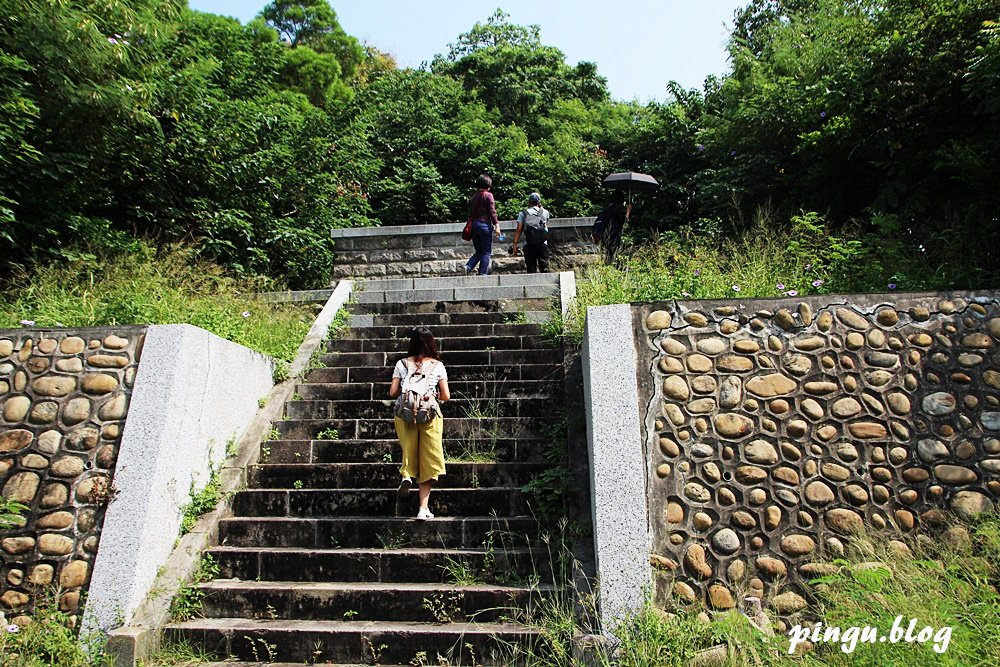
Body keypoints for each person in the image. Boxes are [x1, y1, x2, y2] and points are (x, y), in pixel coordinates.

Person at [388, 327, 451, 520]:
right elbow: (446, 396)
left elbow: (392, 392)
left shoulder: (401, 363)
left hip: (405, 414)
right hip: (429, 414)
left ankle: (406, 475)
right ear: (431, 343)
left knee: (409, 449)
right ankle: (423, 508)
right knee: (428, 458)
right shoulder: (437, 365)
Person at [464, 173, 502, 275]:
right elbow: (492, 211)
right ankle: (482, 273)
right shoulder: (488, 195)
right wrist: (497, 225)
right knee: (486, 251)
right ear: (488, 185)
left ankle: (468, 266)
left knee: (479, 251)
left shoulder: (474, 196)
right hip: (484, 225)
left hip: (474, 226)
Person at [511, 192, 551, 273]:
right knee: (545, 269)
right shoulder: (545, 212)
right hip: (542, 243)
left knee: (531, 269)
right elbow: (545, 226)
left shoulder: (523, 213)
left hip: (529, 244)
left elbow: (519, 229)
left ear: (529, 202)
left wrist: (515, 244)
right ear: (539, 202)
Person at [591, 190, 632, 265]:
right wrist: (628, 211)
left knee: (608, 255)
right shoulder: (616, 209)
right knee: (614, 256)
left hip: (604, 236)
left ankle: (608, 268)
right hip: (613, 236)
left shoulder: (607, 208)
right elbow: (623, 222)